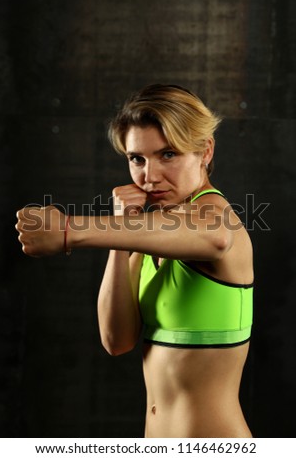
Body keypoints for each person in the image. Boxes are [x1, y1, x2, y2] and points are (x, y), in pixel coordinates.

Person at [16, 84, 254, 438]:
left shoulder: (215, 213)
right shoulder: (148, 235)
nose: (149, 175)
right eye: (136, 159)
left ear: (205, 151)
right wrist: (123, 235)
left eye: (168, 155)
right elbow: (116, 340)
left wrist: (68, 230)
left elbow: (216, 236)